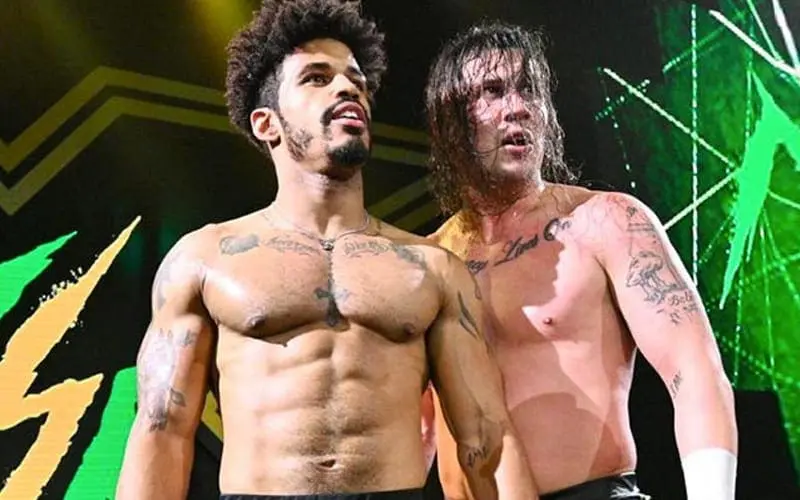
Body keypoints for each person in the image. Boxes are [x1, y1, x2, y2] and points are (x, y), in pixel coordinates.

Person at [116, 2, 537, 499]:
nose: (347, 89)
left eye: (356, 81)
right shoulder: (204, 260)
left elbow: (486, 438)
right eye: (317, 78)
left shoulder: (433, 268)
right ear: (267, 124)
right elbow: (162, 430)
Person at [421, 20, 738, 500]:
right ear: (451, 122)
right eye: (493, 91)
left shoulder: (605, 222)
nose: (517, 107)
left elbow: (693, 371)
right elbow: (416, 430)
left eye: (529, 90)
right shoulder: (426, 263)